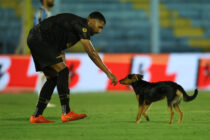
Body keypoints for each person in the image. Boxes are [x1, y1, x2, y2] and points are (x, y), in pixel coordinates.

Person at [27, 11, 118, 123]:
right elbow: (91, 53)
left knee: (53, 77)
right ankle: (66, 113)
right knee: (63, 71)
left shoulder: (73, 25)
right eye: (99, 27)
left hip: (36, 38)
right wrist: (108, 72)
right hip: (41, 38)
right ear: (91, 21)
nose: (100, 31)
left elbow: (59, 43)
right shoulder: (82, 25)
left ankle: (36, 115)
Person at [34, 0, 56, 108]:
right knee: (44, 73)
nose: (53, 0)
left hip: (49, 47)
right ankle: (41, 100)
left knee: (46, 73)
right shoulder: (41, 12)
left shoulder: (48, 13)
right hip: (42, 46)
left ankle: (43, 99)